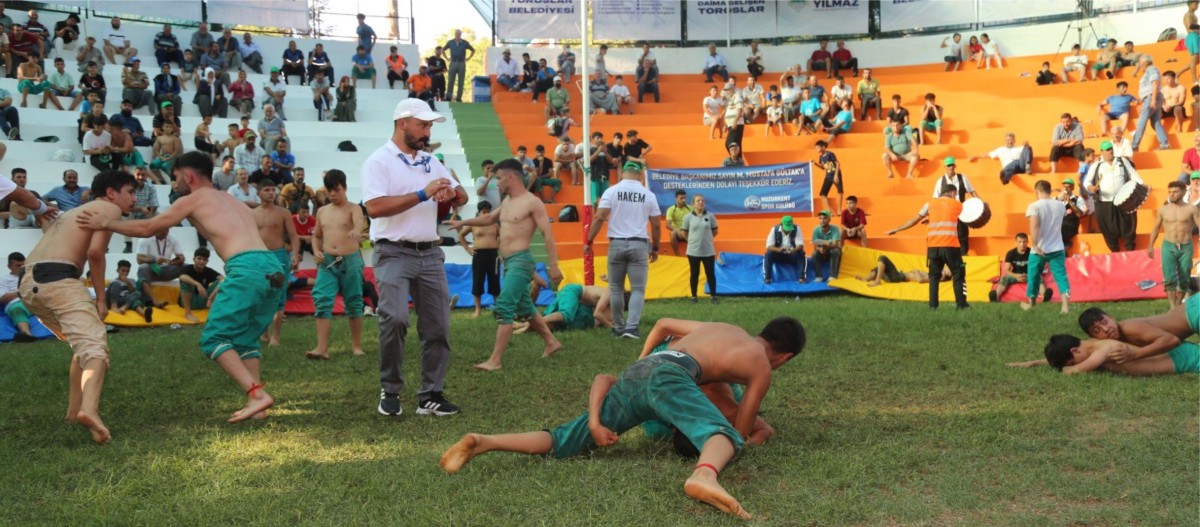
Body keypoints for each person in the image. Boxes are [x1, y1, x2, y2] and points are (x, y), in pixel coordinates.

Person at [439, 317, 807, 521]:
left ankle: (484, 441)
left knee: (566, 437)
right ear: (784, 357)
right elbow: (740, 431)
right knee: (724, 436)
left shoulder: (723, 328)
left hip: (643, 370)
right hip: (670, 377)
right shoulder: (761, 364)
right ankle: (703, 475)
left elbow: (664, 323)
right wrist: (740, 433)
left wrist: (643, 359)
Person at [77, 152, 287, 424]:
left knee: (214, 339)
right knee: (244, 339)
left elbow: (149, 227)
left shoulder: (194, 199)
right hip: (273, 266)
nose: (174, 182)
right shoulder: (232, 199)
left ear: (188, 176)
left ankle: (256, 395)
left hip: (246, 267)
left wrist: (105, 223)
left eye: (175, 176)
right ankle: (258, 407)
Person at [363, 99, 467, 416]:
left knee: (438, 326)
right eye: (422, 124)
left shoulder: (430, 161)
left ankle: (430, 395)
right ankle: (390, 390)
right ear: (402, 123)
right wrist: (423, 193)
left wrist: (453, 194)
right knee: (394, 318)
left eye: (430, 125)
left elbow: (461, 194)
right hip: (392, 251)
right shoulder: (379, 161)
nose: (427, 130)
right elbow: (375, 208)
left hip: (430, 252)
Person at [20, 170, 135, 444]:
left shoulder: (71, 213)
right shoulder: (107, 209)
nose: (133, 197)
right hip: (59, 279)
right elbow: (95, 253)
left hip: (28, 283)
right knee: (95, 347)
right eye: (130, 191)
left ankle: (74, 412)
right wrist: (101, 298)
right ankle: (89, 410)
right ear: (110, 192)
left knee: (81, 343)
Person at [446, 159, 562, 371]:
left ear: (511, 177)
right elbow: (489, 218)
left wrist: (553, 265)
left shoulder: (532, 202)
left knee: (505, 305)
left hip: (521, 261)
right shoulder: (507, 202)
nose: (496, 182)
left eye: (499, 178)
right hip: (507, 262)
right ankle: (551, 342)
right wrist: (463, 223)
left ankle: (495, 361)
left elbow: (547, 234)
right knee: (525, 306)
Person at [585, 161, 662, 339]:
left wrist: (589, 241)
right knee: (637, 289)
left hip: (616, 243)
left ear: (622, 174)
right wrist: (656, 248)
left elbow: (599, 217)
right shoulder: (648, 194)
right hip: (639, 244)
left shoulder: (611, 191)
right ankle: (632, 327)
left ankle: (618, 326)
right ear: (640, 175)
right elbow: (656, 225)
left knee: (616, 288)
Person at [307, 170, 366, 360]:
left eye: (336, 190)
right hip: (327, 261)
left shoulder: (354, 208)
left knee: (354, 302)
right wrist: (316, 251)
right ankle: (321, 348)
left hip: (350, 260)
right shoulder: (322, 211)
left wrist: (356, 230)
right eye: (329, 190)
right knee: (322, 300)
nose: (332, 194)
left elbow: (359, 222)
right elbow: (316, 236)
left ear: (345, 188)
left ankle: (356, 346)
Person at [886, 183, 968, 310]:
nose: (955, 196)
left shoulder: (929, 204)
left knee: (934, 276)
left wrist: (897, 229)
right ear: (952, 193)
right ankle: (962, 304)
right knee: (959, 272)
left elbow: (914, 220)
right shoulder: (957, 204)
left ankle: (933, 306)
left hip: (933, 247)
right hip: (951, 246)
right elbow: (970, 217)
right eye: (955, 194)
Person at [250, 178, 298, 344]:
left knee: (279, 296)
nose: (271, 193)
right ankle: (264, 333)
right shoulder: (252, 213)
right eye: (267, 190)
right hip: (259, 256)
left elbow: (293, 235)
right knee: (261, 295)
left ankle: (275, 336)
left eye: (273, 190)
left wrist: (296, 255)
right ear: (259, 193)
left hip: (279, 257)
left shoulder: (283, 212)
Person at [1012, 334, 1199, 376]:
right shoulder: (1091, 345)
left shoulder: (1103, 350)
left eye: (1071, 360)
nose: (1072, 363)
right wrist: (1031, 363)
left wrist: (1065, 368)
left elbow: (1073, 371)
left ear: (1075, 351)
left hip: (1190, 360)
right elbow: (1068, 363)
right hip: (1183, 355)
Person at [1147, 181, 1200, 308]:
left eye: (1175, 192)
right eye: (1170, 192)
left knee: (1184, 277)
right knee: (1169, 277)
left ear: (1183, 192)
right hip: (1168, 246)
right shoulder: (1163, 210)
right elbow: (1155, 228)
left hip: (1186, 246)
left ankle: (1178, 303)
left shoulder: (1191, 209)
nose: (1172, 195)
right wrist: (1150, 246)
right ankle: (1173, 306)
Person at [1083, 141, 1143, 252]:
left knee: (1128, 225)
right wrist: (1091, 187)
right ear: (1102, 152)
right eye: (1107, 149)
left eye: (1111, 148)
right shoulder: (1096, 165)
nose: (1110, 151)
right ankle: (1114, 251)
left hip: (1123, 200)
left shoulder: (1122, 161)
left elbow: (1133, 174)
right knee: (1108, 228)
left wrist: (1142, 183)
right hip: (1105, 202)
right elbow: (1087, 182)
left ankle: (1130, 249)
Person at [1022, 180, 1070, 313]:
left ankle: (1031, 303)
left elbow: (1035, 226)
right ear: (1049, 190)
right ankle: (1065, 306)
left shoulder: (1034, 206)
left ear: (1036, 191)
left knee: (1033, 276)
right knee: (1061, 277)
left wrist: (1035, 244)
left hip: (1040, 249)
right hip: (1057, 247)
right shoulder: (1060, 205)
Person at [458, 200, 500, 318]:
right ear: (479, 212)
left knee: (495, 281)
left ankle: (498, 308)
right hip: (479, 254)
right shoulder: (474, 224)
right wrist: (468, 249)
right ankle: (478, 310)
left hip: (493, 254)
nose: (486, 214)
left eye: (488, 211)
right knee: (478, 281)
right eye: (484, 211)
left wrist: (498, 244)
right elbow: (460, 235)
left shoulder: (495, 224)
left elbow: (502, 236)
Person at [932, 156, 979, 254]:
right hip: (946, 213)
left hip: (961, 211)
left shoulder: (963, 178)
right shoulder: (940, 181)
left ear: (955, 165)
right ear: (945, 167)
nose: (951, 167)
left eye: (952, 165)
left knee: (963, 235)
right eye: (949, 165)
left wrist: (979, 202)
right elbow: (935, 199)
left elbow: (972, 191)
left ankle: (964, 255)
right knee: (948, 235)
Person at [678, 193, 718, 303]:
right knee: (694, 274)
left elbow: (715, 231)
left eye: (703, 201)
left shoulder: (710, 216)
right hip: (693, 251)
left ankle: (713, 296)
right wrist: (692, 241)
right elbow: (684, 233)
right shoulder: (687, 218)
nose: (701, 202)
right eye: (698, 201)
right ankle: (694, 297)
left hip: (708, 250)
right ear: (693, 204)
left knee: (710, 274)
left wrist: (706, 239)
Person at [1131, 55, 1169, 152]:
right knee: (1155, 122)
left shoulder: (1151, 69)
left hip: (1151, 97)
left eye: (1140, 62)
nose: (1139, 65)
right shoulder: (1148, 71)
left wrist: (1153, 100)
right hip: (1151, 98)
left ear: (1144, 62)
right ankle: (1164, 144)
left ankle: (1134, 145)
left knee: (1141, 122)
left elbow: (1155, 84)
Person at [177, 247, 222, 324]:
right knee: (186, 282)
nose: (201, 261)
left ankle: (217, 306)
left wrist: (213, 293)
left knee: (222, 282)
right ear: (194, 259)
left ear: (207, 261)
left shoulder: (208, 271)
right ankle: (188, 313)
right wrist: (197, 284)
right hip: (190, 302)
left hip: (204, 300)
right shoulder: (188, 268)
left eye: (204, 260)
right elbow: (182, 277)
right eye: (199, 258)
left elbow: (221, 278)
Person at [1, 252, 38, 341]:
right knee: (16, 309)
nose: (22, 268)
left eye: (23, 265)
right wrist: (20, 292)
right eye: (18, 265)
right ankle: (27, 334)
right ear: (9, 266)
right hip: (17, 302)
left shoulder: (33, 276)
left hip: (36, 301)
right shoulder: (3, 279)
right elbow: (2, 298)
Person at [763, 215, 805, 285]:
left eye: (789, 228)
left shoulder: (796, 228)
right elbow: (768, 246)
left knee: (801, 253)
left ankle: (801, 278)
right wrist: (779, 249)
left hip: (791, 254)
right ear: (781, 225)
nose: (788, 231)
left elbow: (800, 245)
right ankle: (767, 278)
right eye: (786, 228)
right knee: (768, 254)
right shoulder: (774, 229)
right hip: (778, 254)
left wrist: (793, 250)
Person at [858, 255, 951, 286]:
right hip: (899, 275)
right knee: (879, 268)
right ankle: (867, 279)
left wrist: (916, 271)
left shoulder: (939, 276)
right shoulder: (936, 273)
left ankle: (877, 281)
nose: (946, 267)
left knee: (883, 258)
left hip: (898, 277)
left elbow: (920, 280)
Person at [443, 30, 474, 102]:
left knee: (461, 81)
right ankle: (448, 96)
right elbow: (443, 49)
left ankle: (459, 97)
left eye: (459, 34)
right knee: (451, 80)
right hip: (453, 62)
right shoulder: (451, 42)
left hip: (461, 63)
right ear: (455, 34)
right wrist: (447, 58)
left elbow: (473, 50)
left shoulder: (464, 42)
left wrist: (468, 58)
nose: (458, 35)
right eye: (457, 33)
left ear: (461, 34)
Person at [810, 210, 841, 282]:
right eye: (820, 218)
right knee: (814, 254)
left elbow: (835, 244)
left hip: (832, 250)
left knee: (835, 251)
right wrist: (819, 249)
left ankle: (832, 276)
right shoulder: (816, 230)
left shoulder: (835, 229)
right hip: (822, 251)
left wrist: (825, 247)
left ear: (829, 220)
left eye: (824, 218)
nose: (822, 220)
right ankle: (819, 276)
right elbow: (815, 247)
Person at [813, 140, 843, 214]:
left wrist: (836, 175)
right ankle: (830, 211)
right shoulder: (821, 157)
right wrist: (815, 164)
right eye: (816, 148)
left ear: (823, 147)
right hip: (828, 176)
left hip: (835, 174)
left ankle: (839, 210)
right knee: (823, 194)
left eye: (818, 148)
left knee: (840, 191)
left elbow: (838, 163)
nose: (817, 150)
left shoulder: (830, 154)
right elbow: (823, 168)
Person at [1057, 178, 1087, 251]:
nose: (1066, 189)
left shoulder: (1078, 199)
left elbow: (1079, 214)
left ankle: (1065, 245)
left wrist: (1070, 202)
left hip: (1070, 225)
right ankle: (1065, 245)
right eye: (1064, 187)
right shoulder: (1057, 199)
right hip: (1058, 225)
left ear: (1073, 188)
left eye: (1069, 187)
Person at [665, 189, 692, 256]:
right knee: (673, 233)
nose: (683, 200)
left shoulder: (690, 208)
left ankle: (692, 254)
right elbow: (668, 225)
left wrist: (684, 231)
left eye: (684, 198)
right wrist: (677, 230)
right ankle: (677, 255)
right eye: (681, 198)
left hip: (688, 232)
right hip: (678, 234)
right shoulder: (671, 209)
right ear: (676, 198)